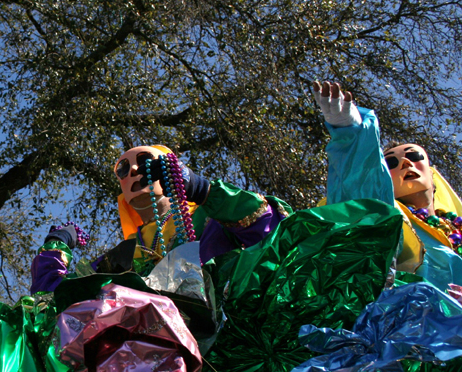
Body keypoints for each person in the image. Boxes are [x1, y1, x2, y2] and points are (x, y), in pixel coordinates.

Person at [30, 145, 292, 294]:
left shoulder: (211, 221)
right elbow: (56, 300)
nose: (133, 170)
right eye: (123, 169)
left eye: (144, 161)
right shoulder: (122, 256)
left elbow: (271, 232)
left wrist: (204, 190)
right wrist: (56, 244)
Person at [314, 80, 462, 290]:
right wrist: (353, 137)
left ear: (432, 175)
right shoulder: (391, 217)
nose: (405, 162)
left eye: (414, 155)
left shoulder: (456, 228)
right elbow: (362, 191)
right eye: (391, 163)